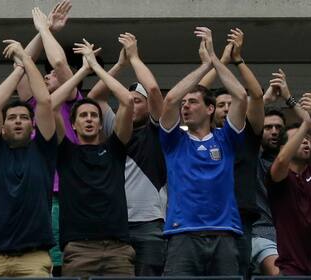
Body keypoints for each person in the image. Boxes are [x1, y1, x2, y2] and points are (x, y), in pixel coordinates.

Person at [160, 27, 247, 276]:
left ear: (210, 109)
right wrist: (204, 65)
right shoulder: (174, 140)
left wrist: (216, 60)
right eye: (184, 103)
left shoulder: (226, 139)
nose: (185, 106)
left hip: (224, 234)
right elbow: (170, 101)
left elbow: (240, 95)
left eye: (193, 101)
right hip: (182, 233)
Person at [87, 33, 167, 276]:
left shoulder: (159, 129)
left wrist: (134, 58)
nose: (131, 104)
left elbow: (153, 89)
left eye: (137, 101)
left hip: (150, 224)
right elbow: (94, 97)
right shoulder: (116, 127)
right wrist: (120, 64)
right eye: (127, 100)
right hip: (116, 224)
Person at [55, 39, 135, 277]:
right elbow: (49, 105)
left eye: (94, 115)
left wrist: (96, 67)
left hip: (119, 248)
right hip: (78, 249)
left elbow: (127, 100)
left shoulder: (115, 148)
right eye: (83, 116)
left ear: (101, 124)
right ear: (74, 124)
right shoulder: (65, 151)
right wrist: (82, 70)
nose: (89, 119)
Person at [0, 39, 56, 277]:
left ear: (32, 125)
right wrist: (19, 68)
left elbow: (45, 101)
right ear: (2, 127)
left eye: (23, 117)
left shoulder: (44, 150)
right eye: (12, 118)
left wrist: (26, 58)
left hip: (33, 257)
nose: (18, 120)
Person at [199, 28, 264, 279]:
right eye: (222, 105)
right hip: (203, 219)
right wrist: (220, 60)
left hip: (238, 219)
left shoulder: (249, 135)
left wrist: (237, 59)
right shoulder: (200, 134)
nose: (227, 109)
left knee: (236, 275)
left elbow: (256, 95)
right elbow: (194, 95)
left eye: (232, 104)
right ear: (212, 110)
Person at [16, 3, 75, 274]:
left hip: (62, 193)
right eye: (45, 73)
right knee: (34, 261)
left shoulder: (73, 102)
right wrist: (42, 32)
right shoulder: (33, 106)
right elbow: (21, 67)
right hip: (32, 190)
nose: (49, 74)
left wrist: (46, 29)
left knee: (59, 263)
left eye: (50, 74)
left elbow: (60, 63)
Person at [266, 90, 311, 275]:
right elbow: (282, 161)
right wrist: (305, 124)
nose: (305, 141)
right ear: (284, 147)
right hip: (292, 269)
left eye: (307, 138)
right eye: (299, 138)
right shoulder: (278, 175)